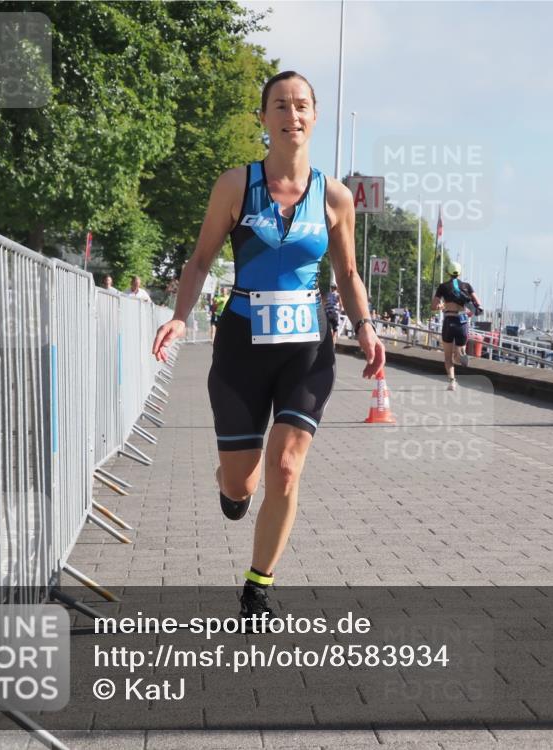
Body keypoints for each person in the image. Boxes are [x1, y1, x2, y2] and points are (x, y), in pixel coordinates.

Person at [151, 71, 385, 623]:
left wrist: (367, 327)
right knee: (243, 481)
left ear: (314, 115)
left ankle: (258, 587)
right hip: (240, 346)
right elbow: (202, 259)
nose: (291, 115)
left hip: (306, 348)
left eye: (301, 105)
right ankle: (232, 489)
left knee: (284, 467)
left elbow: (348, 272)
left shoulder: (335, 196)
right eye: (280, 105)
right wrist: (181, 317)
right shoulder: (236, 185)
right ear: (264, 118)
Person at [432, 261, 483, 390]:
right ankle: (461, 355)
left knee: (448, 356)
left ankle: (452, 382)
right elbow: (478, 304)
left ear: (448, 272)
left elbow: (433, 306)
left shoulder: (443, 287)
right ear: (459, 273)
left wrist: (441, 306)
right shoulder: (467, 286)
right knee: (459, 352)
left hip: (449, 321)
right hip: (462, 321)